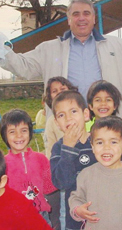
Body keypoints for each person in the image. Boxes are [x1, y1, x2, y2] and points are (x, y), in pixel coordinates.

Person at [50, 90, 122, 229]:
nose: (68, 118)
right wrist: (68, 148)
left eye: (73, 111)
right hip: (76, 218)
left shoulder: (100, 141)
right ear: (56, 122)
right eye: (61, 115)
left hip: (109, 213)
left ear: (85, 114)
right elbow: (61, 183)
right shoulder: (59, 148)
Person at [68, 116, 122, 230]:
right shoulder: (86, 174)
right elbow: (76, 198)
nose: (106, 148)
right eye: (100, 142)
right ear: (92, 147)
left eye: (113, 142)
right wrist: (78, 209)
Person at [0, 109, 57, 225]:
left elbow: (49, 188)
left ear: (30, 132)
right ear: (4, 135)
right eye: (12, 132)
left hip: (41, 217)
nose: (19, 135)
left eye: (24, 130)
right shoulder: (2, 164)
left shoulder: (41, 159)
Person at [43, 77, 78, 230]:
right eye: (54, 91)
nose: (58, 93)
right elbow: (50, 149)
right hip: (63, 168)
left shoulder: (80, 117)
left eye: (62, 90)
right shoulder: (52, 122)